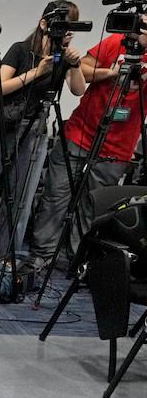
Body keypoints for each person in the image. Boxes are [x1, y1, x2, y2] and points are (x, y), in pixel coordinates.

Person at [0, 0, 87, 268]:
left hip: (36, 130)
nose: (64, 32)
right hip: (3, 127)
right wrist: (39, 71)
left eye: (69, 27)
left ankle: (3, 258)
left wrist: (75, 63)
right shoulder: (21, 50)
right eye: (60, 25)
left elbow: (78, 90)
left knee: (21, 201)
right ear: (44, 23)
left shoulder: (64, 57)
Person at [30, 13, 147, 268]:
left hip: (117, 149)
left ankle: (77, 260)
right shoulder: (116, 42)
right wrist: (110, 73)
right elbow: (81, 68)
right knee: (55, 198)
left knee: (91, 208)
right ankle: (42, 255)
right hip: (80, 134)